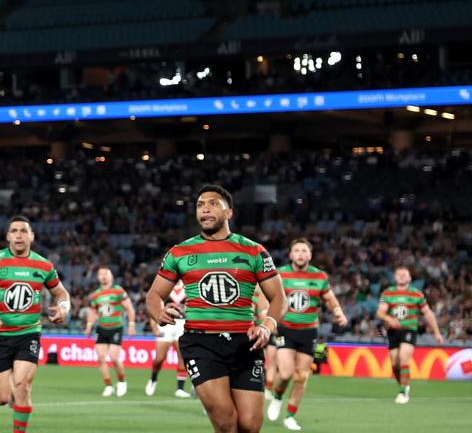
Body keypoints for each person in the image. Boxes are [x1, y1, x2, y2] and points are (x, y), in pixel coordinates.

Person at [147, 184, 285, 433]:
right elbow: (155, 294)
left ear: (229, 212)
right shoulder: (180, 252)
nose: (205, 209)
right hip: (202, 343)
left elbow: (279, 298)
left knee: (250, 425)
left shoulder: (253, 251)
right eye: (200, 205)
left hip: (246, 342)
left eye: (212, 203)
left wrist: (267, 326)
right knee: (225, 421)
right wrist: (158, 311)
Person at [0, 215, 71, 433]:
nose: (19, 235)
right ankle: (15, 401)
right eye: (14, 231)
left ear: (31, 236)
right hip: (0, 336)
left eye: (24, 231)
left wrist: (64, 307)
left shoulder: (43, 265)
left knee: (23, 385)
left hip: (29, 333)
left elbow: (61, 293)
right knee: (1, 397)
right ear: (7, 236)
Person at [265, 239, 348, 430]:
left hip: (309, 331)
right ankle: (277, 397)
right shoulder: (281, 274)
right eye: (297, 250)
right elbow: (270, 297)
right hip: (286, 329)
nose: (300, 254)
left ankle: (290, 416)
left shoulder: (319, 276)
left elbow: (329, 298)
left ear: (310, 255)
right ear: (291, 254)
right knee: (285, 373)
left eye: (304, 250)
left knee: (301, 376)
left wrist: (338, 312)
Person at [376, 265, 444, 404]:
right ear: (394, 277)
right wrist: (389, 319)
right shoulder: (387, 293)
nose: (401, 275)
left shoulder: (417, 294)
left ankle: (403, 391)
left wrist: (436, 332)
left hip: (409, 329)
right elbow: (380, 312)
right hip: (393, 331)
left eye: (404, 274)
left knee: (403, 358)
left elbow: (428, 314)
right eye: (398, 273)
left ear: (410, 277)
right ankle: (404, 385)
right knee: (395, 364)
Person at [85, 266, 136, 397]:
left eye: (106, 273)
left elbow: (129, 308)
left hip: (116, 328)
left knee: (113, 358)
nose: (103, 276)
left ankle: (121, 381)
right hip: (101, 328)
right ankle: (108, 386)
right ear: (97, 277)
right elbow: (93, 311)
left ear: (111, 276)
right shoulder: (95, 294)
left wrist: (131, 325)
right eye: (100, 274)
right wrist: (89, 325)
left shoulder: (118, 291)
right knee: (101, 358)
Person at [146, 279, 191, 398]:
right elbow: (154, 305)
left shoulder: (188, 285)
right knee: (159, 358)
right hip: (166, 325)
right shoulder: (164, 285)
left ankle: (180, 388)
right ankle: (153, 379)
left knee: (182, 357)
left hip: (182, 324)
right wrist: (154, 326)